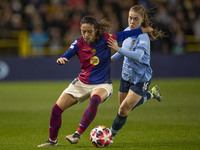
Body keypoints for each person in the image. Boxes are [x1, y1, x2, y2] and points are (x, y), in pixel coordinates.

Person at [37, 16, 153, 147]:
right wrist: (62, 59)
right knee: (56, 109)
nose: (86, 35)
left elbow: (126, 34)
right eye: (83, 31)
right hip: (82, 82)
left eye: (89, 32)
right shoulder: (78, 43)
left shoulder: (106, 39)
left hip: (102, 84)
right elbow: (67, 54)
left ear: (96, 30)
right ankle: (52, 141)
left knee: (95, 99)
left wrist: (145, 29)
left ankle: (77, 134)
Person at [107, 5, 164, 141]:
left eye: (135, 19)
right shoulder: (128, 30)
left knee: (123, 110)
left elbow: (138, 56)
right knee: (124, 108)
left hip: (140, 78)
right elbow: (124, 50)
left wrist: (118, 49)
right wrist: (111, 59)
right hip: (126, 75)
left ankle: (110, 136)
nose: (132, 21)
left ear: (142, 20)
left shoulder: (143, 37)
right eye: (130, 18)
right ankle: (151, 94)